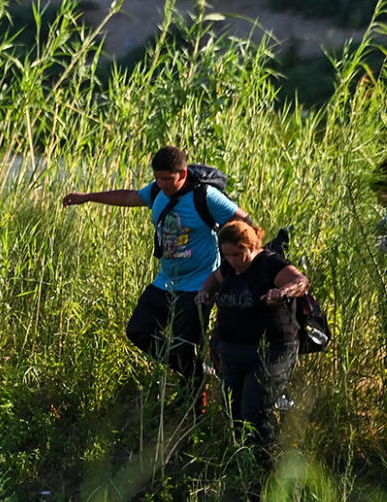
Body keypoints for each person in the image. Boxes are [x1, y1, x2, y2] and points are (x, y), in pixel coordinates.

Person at [61, 146, 249, 392]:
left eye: (167, 179)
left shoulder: (206, 196)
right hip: (166, 281)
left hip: (198, 285)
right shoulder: (156, 191)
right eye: (158, 178)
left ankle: (192, 404)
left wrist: (236, 263)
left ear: (182, 174)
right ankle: (196, 371)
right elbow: (129, 197)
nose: (161, 184)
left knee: (185, 346)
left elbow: (244, 222)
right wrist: (87, 196)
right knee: (138, 330)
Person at [195, 221, 308, 450]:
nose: (232, 260)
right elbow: (214, 279)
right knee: (233, 412)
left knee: (254, 411)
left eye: (237, 254)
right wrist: (205, 292)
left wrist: (282, 292)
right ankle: (244, 465)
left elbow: (300, 282)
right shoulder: (228, 267)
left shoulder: (269, 264)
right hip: (233, 351)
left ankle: (269, 468)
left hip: (271, 350)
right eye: (226, 255)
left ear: (251, 246)